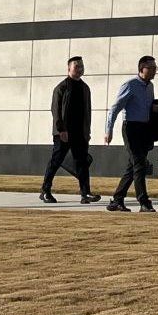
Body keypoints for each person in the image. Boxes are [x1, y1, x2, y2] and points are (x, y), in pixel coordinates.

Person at [104, 55, 158, 212]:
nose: (154, 71)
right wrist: (108, 130)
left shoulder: (150, 86)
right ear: (142, 69)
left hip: (145, 129)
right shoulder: (130, 85)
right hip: (131, 129)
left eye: (155, 68)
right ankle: (144, 201)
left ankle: (117, 200)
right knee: (140, 165)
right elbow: (115, 109)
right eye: (151, 68)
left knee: (133, 167)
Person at [42, 55, 97, 204]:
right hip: (63, 133)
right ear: (69, 68)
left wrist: (87, 132)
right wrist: (61, 130)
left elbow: (87, 112)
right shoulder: (61, 88)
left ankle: (85, 194)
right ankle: (45, 191)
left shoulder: (85, 88)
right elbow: (55, 110)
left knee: (82, 163)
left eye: (81, 66)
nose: (80, 69)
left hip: (80, 133)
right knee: (56, 161)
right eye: (76, 66)